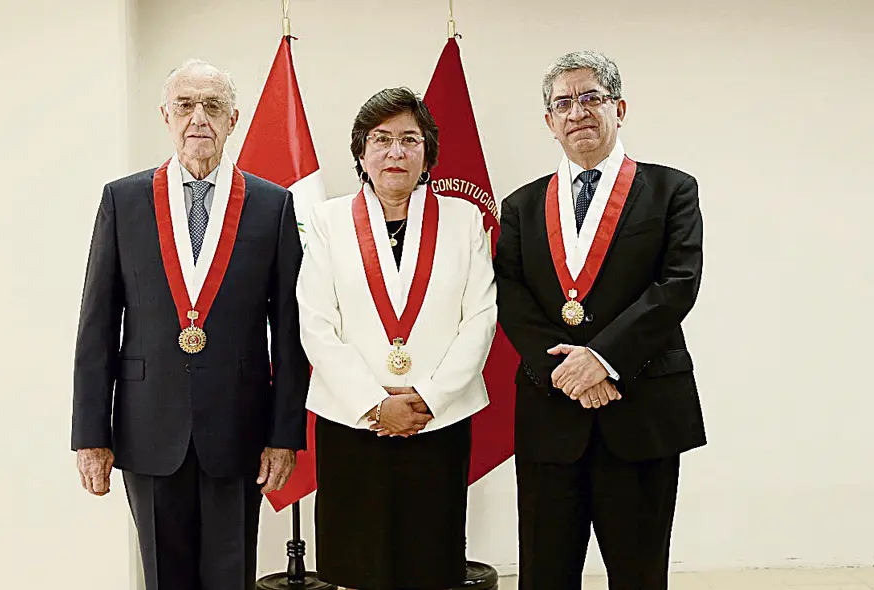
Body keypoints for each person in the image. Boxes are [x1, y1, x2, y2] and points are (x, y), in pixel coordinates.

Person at [71, 59, 310, 590]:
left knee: (231, 576)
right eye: (185, 105)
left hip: (239, 429)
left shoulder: (272, 206)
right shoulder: (123, 199)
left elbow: (290, 335)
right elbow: (97, 325)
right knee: (165, 578)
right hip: (146, 428)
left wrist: (284, 434)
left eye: (213, 106)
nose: (199, 117)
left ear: (234, 120)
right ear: (165, 115)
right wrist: (91, 435)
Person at [494, 51, 706, 589]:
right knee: (544, 574)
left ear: (620, 107)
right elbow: (511, 295)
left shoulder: (671, 190)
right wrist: (569, 371)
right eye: (562, 103)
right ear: (549, 122)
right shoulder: (520, 206)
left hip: (640, 408)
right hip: (551, 412)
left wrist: (602, 360)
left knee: (639, 574)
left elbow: (677, 285)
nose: (578, 112)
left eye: (591, 97)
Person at [296, 87, 497, 590]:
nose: (395, 152)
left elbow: (481, 317)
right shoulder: (327, 221)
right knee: (355, 564)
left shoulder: (464, 219)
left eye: (410, 139)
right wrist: (373, 403)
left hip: (437, 420)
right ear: (361, 152)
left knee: (430, 562)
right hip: (353, 422)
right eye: (381, 139)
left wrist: (427, 398)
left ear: (427, 151)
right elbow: (316, 322)